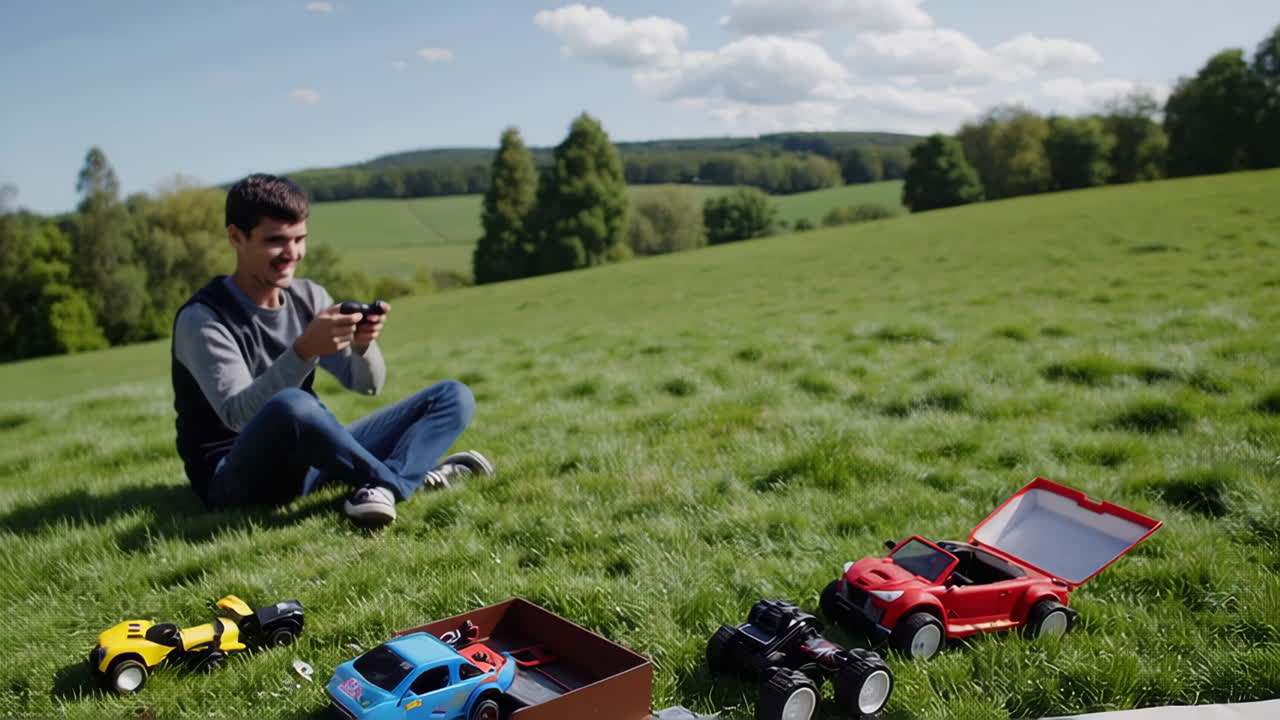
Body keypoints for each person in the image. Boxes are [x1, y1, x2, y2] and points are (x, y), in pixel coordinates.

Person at [171, 173, 492, 526]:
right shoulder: (202, 319)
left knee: (452, 396)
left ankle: (379, 487)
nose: (291, 254)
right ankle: (400, 481)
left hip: (308, 463)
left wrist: (362, 345)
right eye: (276, 241)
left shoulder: (307, 297)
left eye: (299, 239)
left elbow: (368, 386)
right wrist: (304, 351)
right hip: (233, 478)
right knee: (293, 405)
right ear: (236, 237)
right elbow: (238, 416)